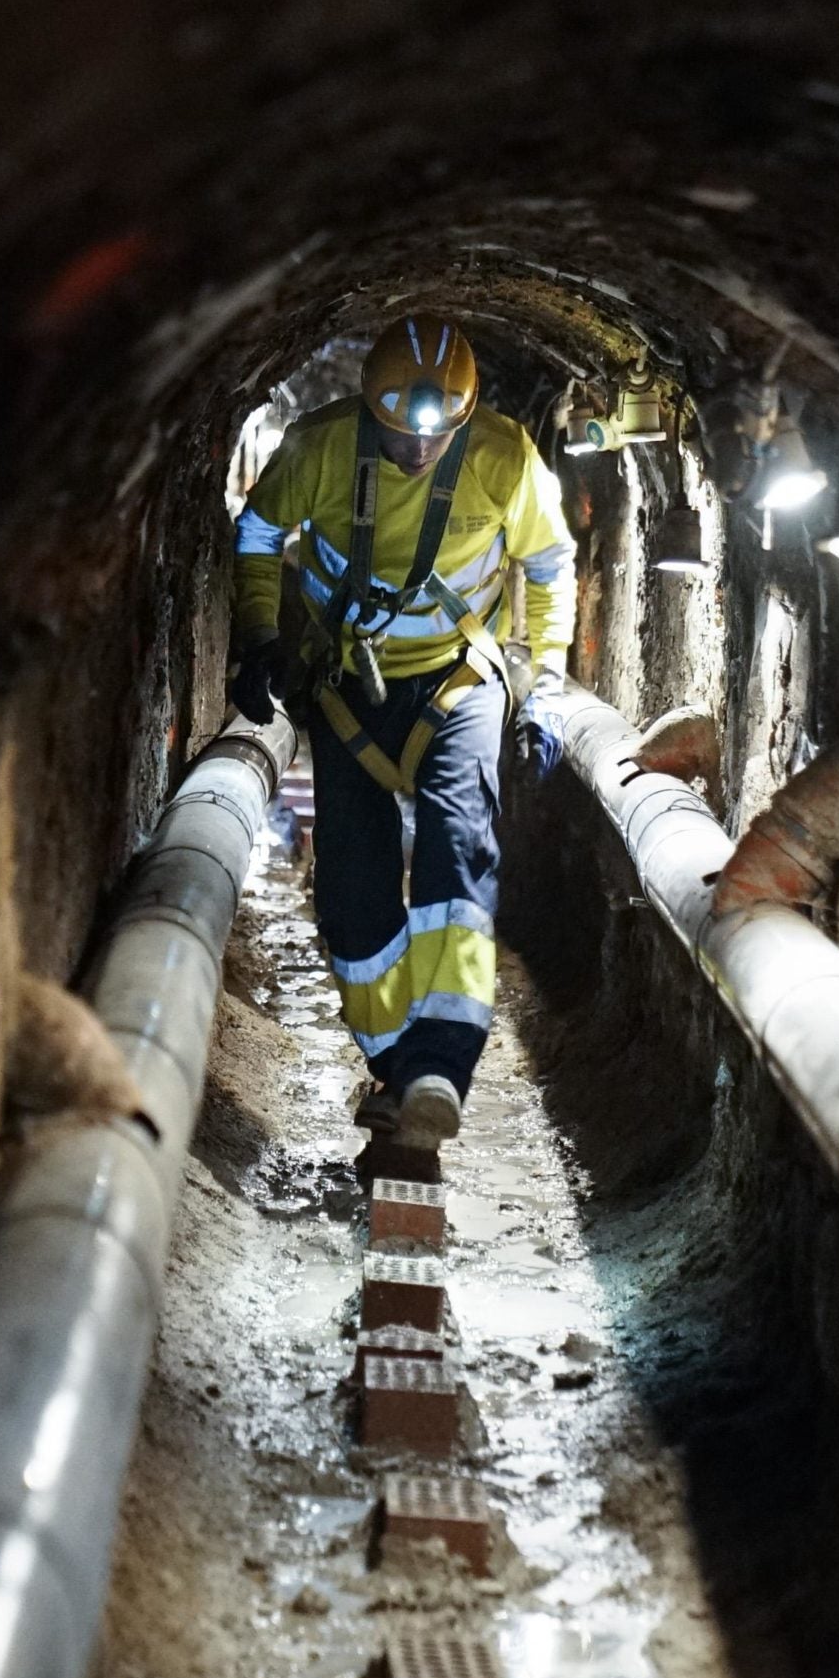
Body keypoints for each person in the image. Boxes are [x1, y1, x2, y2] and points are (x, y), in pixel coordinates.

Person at [228, 317, 576, 1155]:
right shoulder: (318, 450)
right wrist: (261, 638)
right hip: (349, 680)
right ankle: (392, 1062)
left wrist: (546, 686)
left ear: (462, 418)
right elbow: (258, 534)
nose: (420, 450)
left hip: (458, 677)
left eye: (439, 434)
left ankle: (442, 1068)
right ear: (369, 409)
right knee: (352, 879)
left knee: (458, 846)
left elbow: (550, 564)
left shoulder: (502, 454)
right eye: (402, 432)